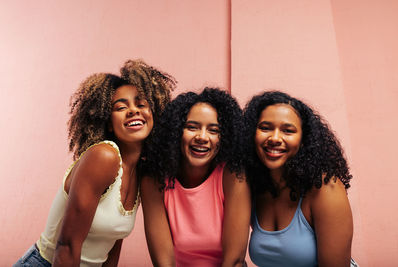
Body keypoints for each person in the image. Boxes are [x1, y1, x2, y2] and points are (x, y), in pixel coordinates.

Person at [14, 59, 176, 267]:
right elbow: (67, 246)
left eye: (141, 104)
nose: (134, 110)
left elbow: (112, 246)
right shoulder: (104, 156)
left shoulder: (140, 172)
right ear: (108, 122)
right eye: (120, 107)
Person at [141, 88, 251, 267]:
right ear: (176, 131)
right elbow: (163, 262)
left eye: (213, 130)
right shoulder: (154, 180)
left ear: (224, 138)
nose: (202, 137)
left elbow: (234, 261)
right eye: (192, 127)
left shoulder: (232, 176)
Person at [243, 91, 354, 267]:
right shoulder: (254, 187)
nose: (275, 138)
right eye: (265, 128)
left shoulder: (325, 189)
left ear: (303, 140)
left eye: (288, 131)